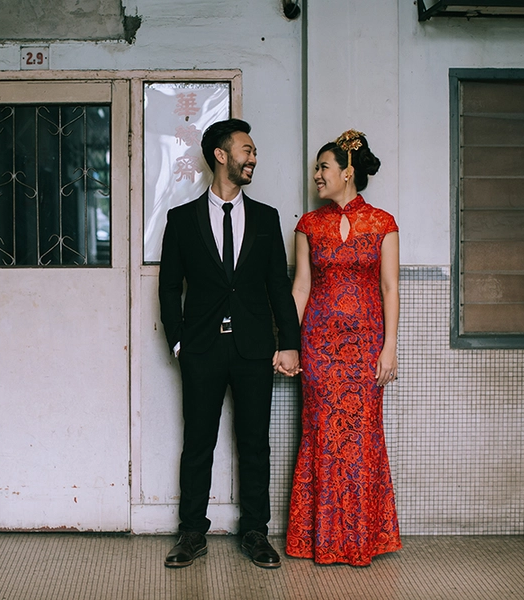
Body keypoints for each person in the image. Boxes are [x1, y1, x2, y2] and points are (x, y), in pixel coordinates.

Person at [158, 118, 301, 569]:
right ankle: (191, 532)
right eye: (246, 149)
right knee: (197, 443)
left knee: (255, 444)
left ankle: (255, 532)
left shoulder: (266, 217)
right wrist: (178, 343)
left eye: (254, 151)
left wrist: (289, 342)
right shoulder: (181, 220)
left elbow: (278, 286)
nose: (253, 157)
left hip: (254, 348)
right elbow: (169, 288)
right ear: (221, 155)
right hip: (201, 349)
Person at [285, 130, 402, 566]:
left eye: (323, 167)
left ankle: (360, 539)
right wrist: (289, 344)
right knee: (320, 434)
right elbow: (300, 288)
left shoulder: (383, 223)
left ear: (347, 172)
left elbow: (390, 288)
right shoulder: (308, 225)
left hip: (367, 348)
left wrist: (389, 348)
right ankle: (320, 539)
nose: (317, 175)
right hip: (319, 348)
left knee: (363, 437)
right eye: (316, 168)